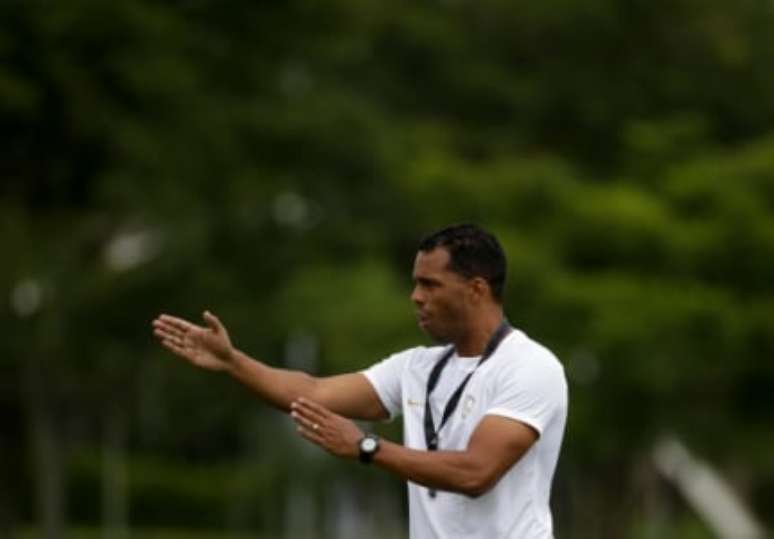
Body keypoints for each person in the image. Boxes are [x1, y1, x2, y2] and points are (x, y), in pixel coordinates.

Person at [152, 224, 568, 539]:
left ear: (476, 290)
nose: (416, 297)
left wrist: (366, 447)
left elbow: (476, 473)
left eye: (430, 284)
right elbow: (311, 392)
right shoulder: (417, 367)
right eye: (414, 283)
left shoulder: (530, 367)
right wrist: (233, 362)